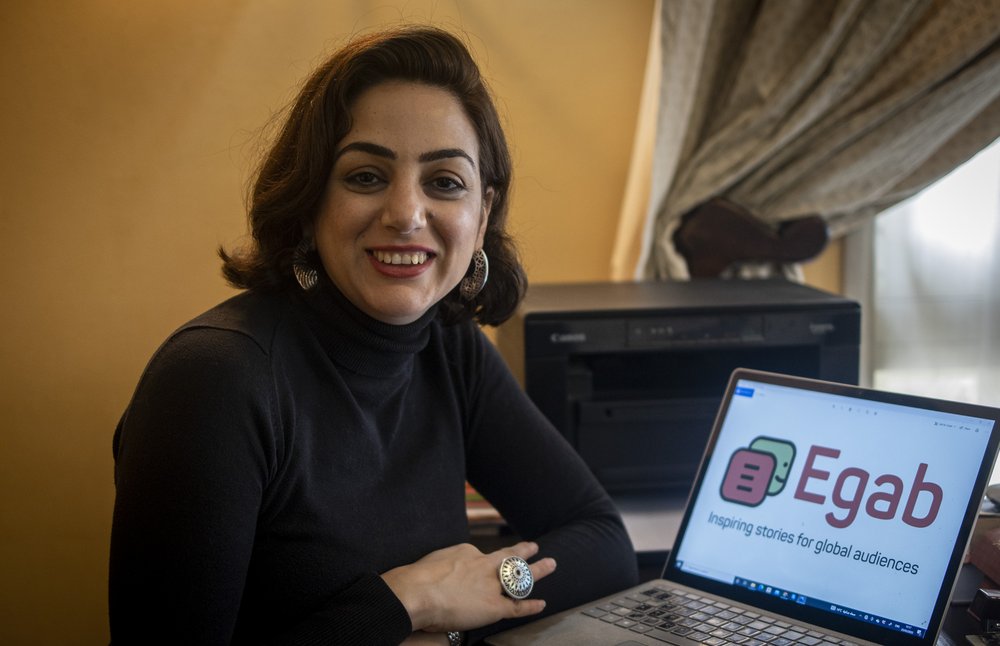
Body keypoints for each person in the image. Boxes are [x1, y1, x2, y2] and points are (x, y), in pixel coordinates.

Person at [109, 25, 637, 645]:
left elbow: (603, 540)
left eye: (445, 181)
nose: (406, 214)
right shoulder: (213, 379)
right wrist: (407, 603)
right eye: (365, 176)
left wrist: (486, 593)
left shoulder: (448, 343)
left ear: (483, 213)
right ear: (310, 201)